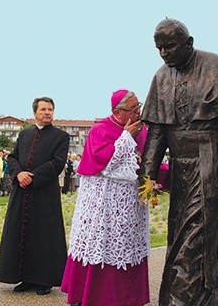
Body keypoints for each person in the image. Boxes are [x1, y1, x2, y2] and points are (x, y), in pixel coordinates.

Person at [140, 18, 218, 305]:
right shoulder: (161, 77)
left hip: (208, 161)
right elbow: (156, 134)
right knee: (181, 236)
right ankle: (209, 297)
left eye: (170, 46)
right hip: (180, 166)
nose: (164, 53)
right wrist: (148, 175)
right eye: (159, 48)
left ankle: (184, 300)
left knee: (197, 237)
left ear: (188, 42)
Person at [61, 89, 150, 306]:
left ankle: (129, 297)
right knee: (99, 243)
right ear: (118, 112)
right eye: (133, 108)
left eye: (139, 106)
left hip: (129, 205)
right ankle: (90, 295)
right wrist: (126, 137)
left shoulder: (143, 130)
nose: (139, 112)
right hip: (101, 204)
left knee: (126, 246)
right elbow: (105, 162)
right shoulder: (100, 130)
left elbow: (145, 162)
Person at [0, 97, 70, 296]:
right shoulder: (24, 135)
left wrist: (33, 177)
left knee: (44, 236)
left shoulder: (61, 137)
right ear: (35, 112)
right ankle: (26, 278)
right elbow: (12, 157)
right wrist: (19, 173)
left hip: (44, 193)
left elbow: (57, 163)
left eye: (50, 109)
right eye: (44, 109)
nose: (47, 112)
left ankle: (45, 279)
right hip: (22, 191)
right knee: (22, 232)